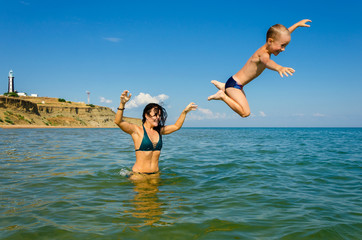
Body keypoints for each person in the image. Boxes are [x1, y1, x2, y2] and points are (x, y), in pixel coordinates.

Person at [208, 19, 312, 118]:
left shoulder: (271, 43)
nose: (283, 49)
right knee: (245, 113)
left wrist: (297, 25)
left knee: (243, 109)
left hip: (235, 83)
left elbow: (283, 34)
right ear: (270, 41)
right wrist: (279, 68)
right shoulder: (264, 54)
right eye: (282, 46)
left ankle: (224, 87)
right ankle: (222, 96)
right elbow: (267, 62)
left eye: (285, 46)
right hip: (234, 86)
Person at [115, 90, 197, 180]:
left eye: (159, 115)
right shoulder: (136, 130)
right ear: (146, 115)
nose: (158, 118)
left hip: (155, 175)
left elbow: (176, 126)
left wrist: (184, 112)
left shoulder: (159, 131)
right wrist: (122, 104)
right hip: (139, 175)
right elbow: (118, 121)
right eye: (155, 115)